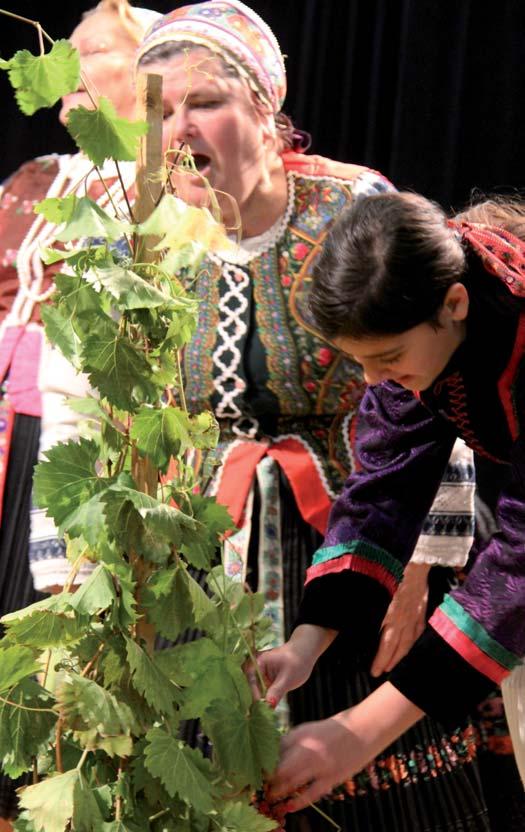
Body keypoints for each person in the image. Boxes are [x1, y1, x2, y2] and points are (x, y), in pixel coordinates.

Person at [135, 5, 491, 830]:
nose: (176, 128)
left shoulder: (351, 209)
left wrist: (419, 572)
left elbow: (426, 396)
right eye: (157, 111)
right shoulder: (146, 238)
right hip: (205, 545)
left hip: (352, 531)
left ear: (265, 108)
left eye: (203, 102)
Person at [263, 192, 525, 828]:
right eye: (360, 362)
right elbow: (383, 486)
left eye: (387, 359)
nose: (375, 380)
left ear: (454, 305)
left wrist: (360, 730)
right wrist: (306, 643)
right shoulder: (426, 334)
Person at [0, 0, 160, 821]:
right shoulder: (43, 180)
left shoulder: (196, 188)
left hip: (141, 448)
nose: (66, 65)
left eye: (90, 50)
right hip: (32, 434)